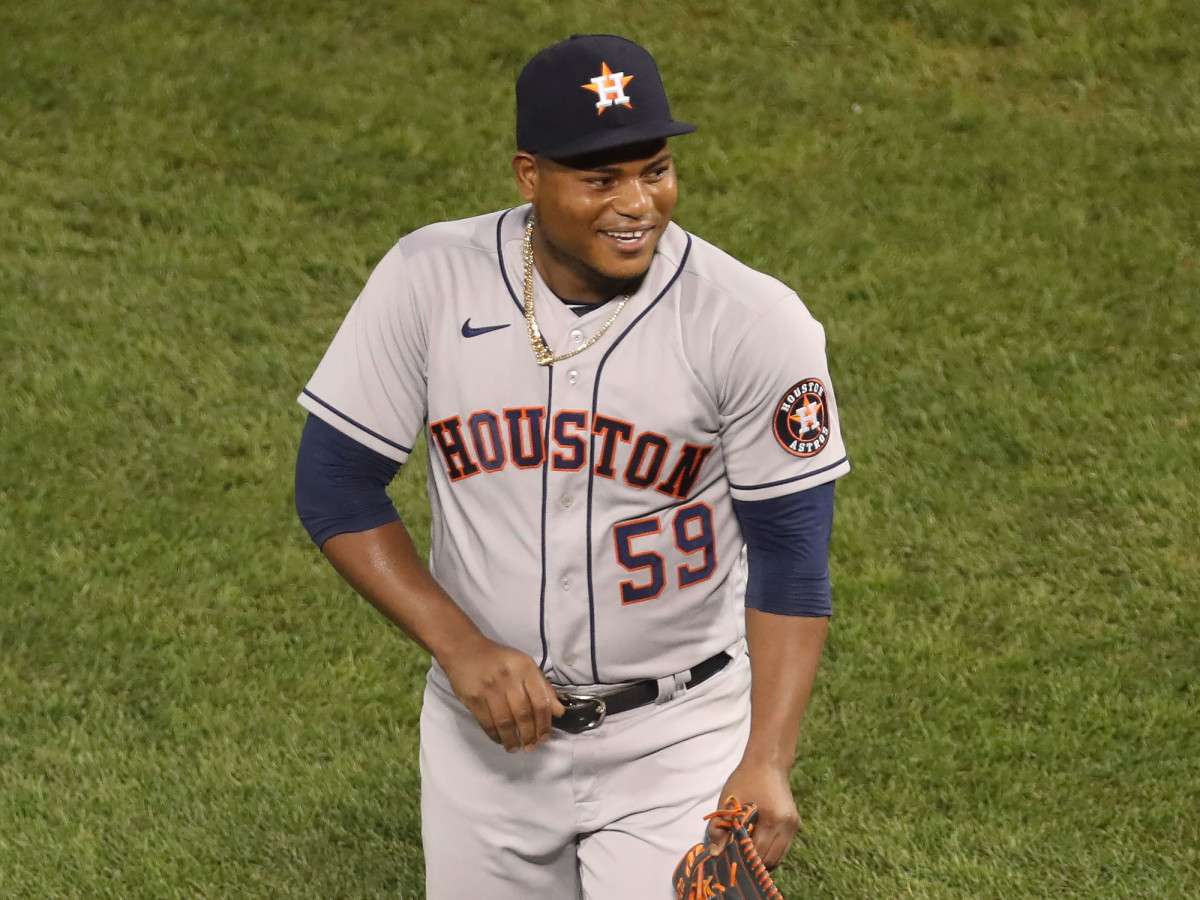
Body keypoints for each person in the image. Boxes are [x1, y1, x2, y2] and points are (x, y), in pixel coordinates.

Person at [294, 33, 849, 899]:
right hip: (486, 743)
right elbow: (333, 484)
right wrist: (462, 648)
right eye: (600, 180)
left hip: (678, 738)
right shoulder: (429, 280)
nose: (637, 203)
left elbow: (791, 554)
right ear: (529, 176)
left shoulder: (751, 323)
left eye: (655, 169)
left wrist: (767, 761)